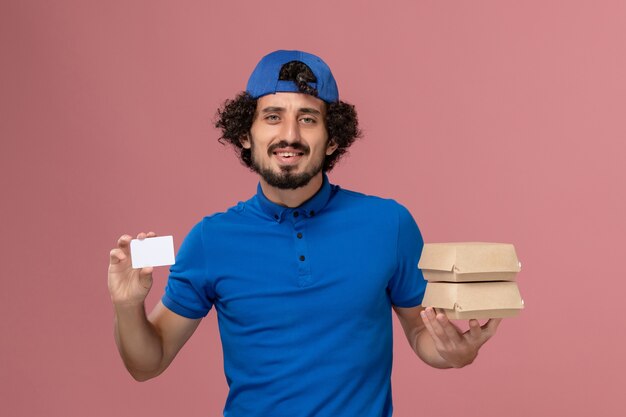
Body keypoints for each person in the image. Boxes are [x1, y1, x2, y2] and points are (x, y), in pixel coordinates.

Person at [108, 50, 501, 417]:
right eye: (273, 116)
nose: (290, 135)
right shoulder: (211, 240)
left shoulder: (390, 224)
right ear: (246, 135)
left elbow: (420, 332)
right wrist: (127, 306)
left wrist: (456, 352)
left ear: (332, 140)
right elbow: (148, 363)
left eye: (308, 118)